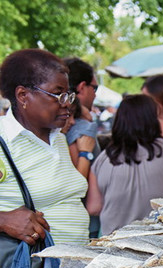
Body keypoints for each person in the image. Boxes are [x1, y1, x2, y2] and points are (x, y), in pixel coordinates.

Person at [0, 48, 90, 261]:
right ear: (23, 95)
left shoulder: (58, 137)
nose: (67, 103)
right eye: (58, 94)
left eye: (69, 95)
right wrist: (1, 221)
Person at [85, 94, 163, 236]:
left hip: (114, 244)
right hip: (162, 241)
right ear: (153, 119)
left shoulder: (103, 159)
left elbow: (94, 208)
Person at [63, 57, 100, 237]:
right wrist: (86, 154)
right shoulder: (80, 127)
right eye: (95, 88)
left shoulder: (77, 122)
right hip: (81, 221)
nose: (96, 94)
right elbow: (77, 182)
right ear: (82, 87)